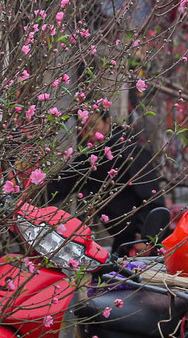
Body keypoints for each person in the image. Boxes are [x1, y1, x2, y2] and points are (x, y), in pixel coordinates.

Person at [45, 107, 166, 254]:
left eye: (93, 125)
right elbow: (60, 185)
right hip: (124, 242)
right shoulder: (89, 159)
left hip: (141, 244)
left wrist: (146, 239)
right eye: (82, 127)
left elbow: (152, 198)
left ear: (107, 123)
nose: (88, 133)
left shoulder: (130, 152)